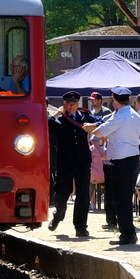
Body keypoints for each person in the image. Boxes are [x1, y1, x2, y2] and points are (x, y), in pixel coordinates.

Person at [91, 87, 140, 246]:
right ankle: (128, 233)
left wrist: (91, 128)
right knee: (124, 199)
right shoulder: (135, 115)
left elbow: (98, 133)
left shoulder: (119, 117)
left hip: (121, 162)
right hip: (132, 159)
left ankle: (127, 234)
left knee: (120, 200)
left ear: (114, 101)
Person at [47, 91, 93, 238]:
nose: (72, 106)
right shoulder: (58, 120)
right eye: (69, 104)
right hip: (65, 163)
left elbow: (101, 121)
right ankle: (58, 216)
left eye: (74, 104)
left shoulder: (84, 116)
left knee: (83, 195)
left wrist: (94, 125)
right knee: (61, 194)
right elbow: (44, 124)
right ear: (64, 104)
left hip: (82, 162)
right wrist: (54, 115)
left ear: (78, 104)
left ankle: (80, 227)